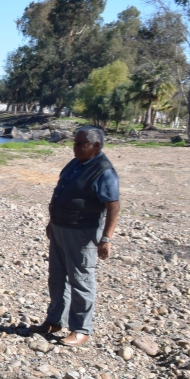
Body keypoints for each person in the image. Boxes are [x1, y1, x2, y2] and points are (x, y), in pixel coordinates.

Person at [42, 126, 120, 347]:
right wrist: (51, 222)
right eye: (74, 143)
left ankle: (81, 329)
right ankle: (55, 320)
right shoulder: (75, 163)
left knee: (81, 280)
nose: (74, 147)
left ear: (95, 146)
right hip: (60, 228)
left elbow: (113, 207)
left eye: (80, 144)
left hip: (82, 232)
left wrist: (106, 238)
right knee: (57, 276)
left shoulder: (103, 171)